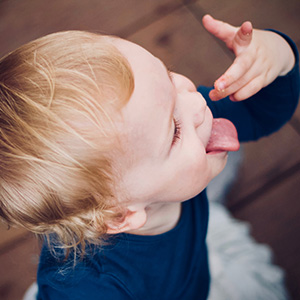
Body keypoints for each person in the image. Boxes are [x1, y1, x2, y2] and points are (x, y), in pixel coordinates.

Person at [0, 14, 299, 300]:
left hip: (192, 263)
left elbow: (257, 113)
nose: (197, 102)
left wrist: (279, 58)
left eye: (169, 76)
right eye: (175, 130)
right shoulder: (90, 288)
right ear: (121, 215)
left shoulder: (157, 133)